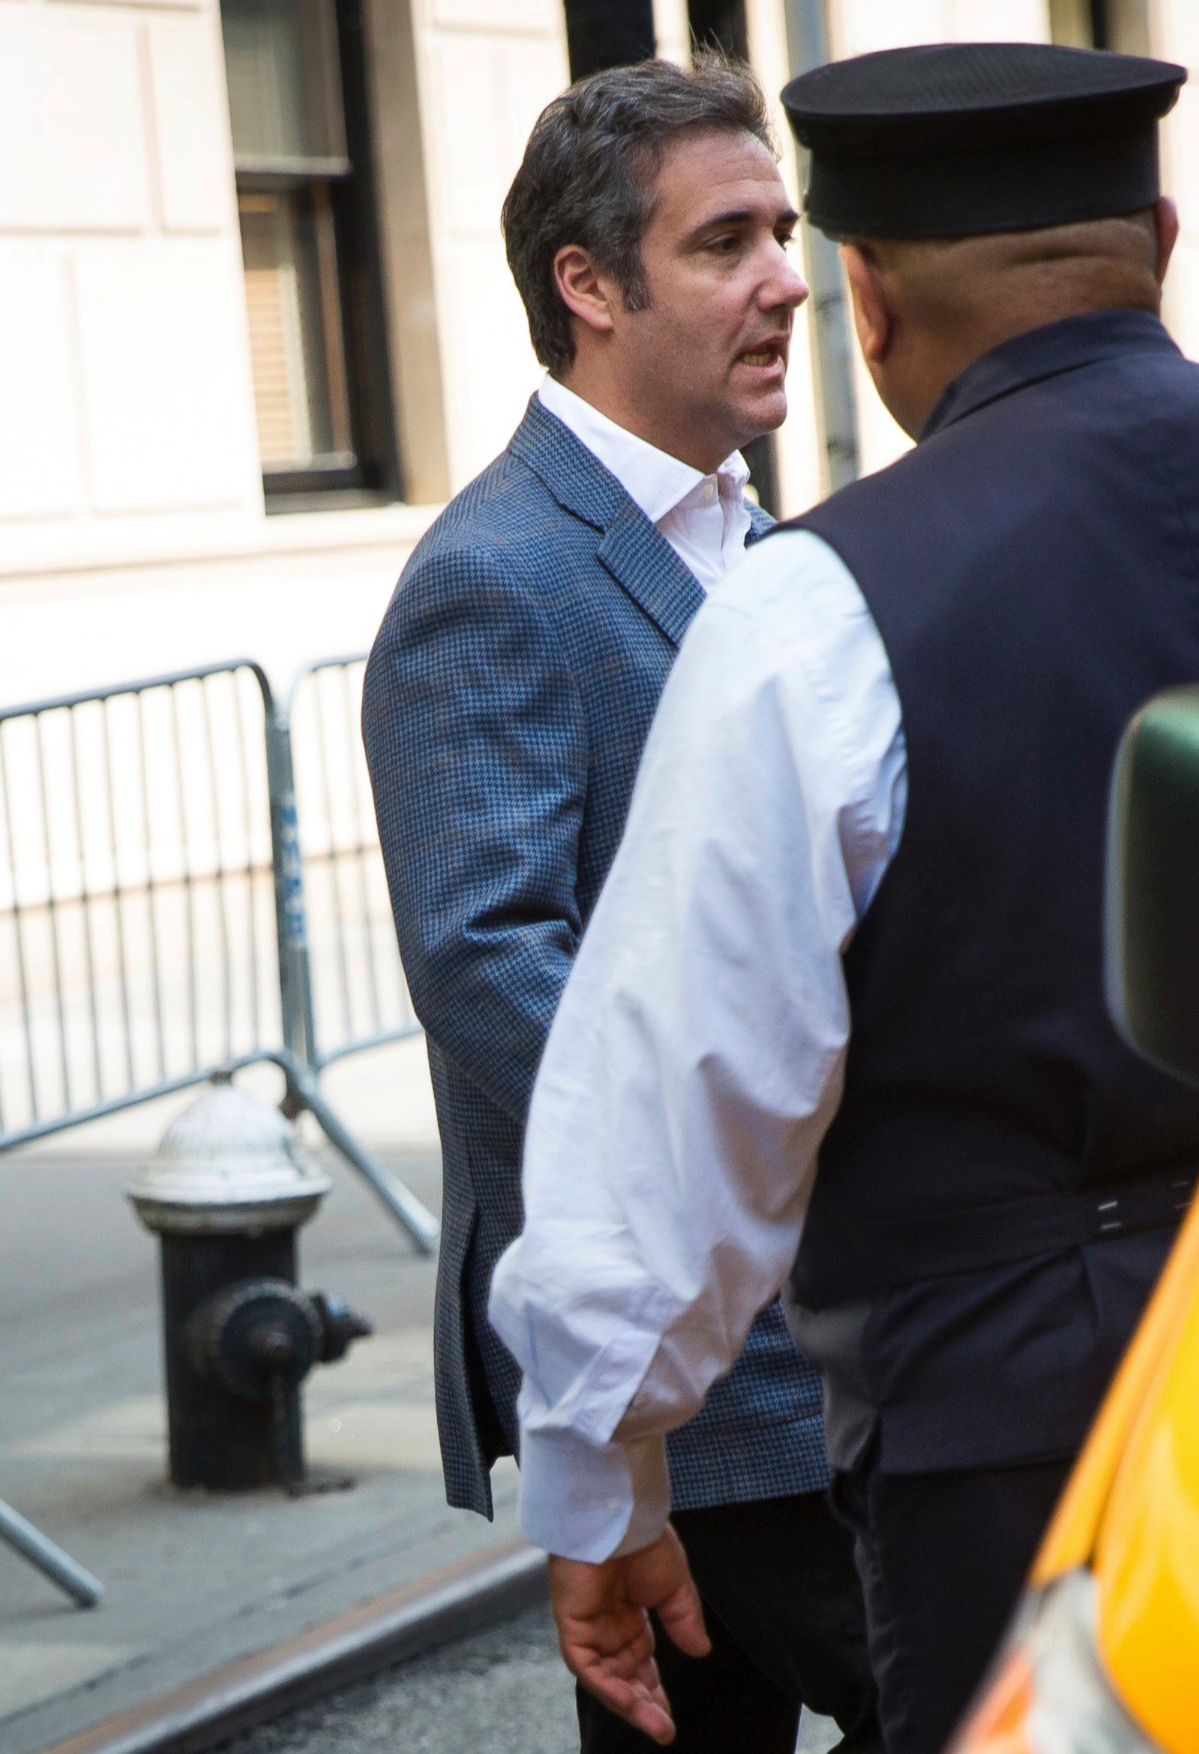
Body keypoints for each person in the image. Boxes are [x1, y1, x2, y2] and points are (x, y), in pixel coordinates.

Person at [497, 41, 1199, 1754]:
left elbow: (684, 1080)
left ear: (866, 299)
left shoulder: (821, 604)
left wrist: (601, 1468)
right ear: (1158, 233)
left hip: (1013, 1426)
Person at [359, 55, 879, 1754]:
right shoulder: (493, 578)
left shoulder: (768, 538)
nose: (786, 278)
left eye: (783, 232)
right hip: (684, 1338)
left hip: (798, 1329)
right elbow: (489, 959)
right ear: (589, 287)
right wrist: (776, 1138)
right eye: (726, 240)